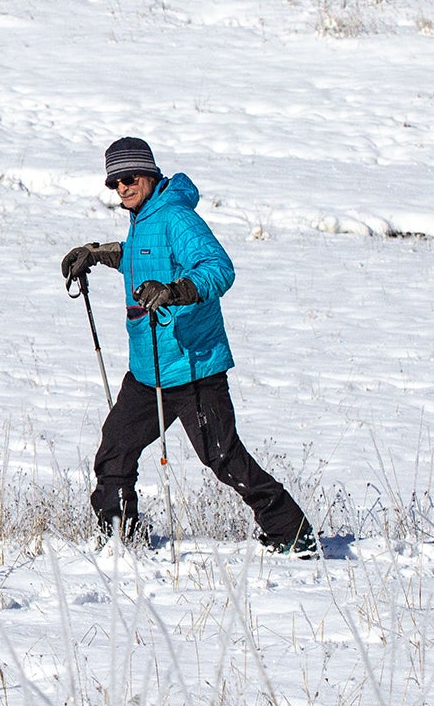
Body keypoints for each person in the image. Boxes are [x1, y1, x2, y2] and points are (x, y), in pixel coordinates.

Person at [61, 136, 317, 556]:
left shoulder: (177, 217)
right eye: (114, 182)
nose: (122, 187)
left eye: (129, 177)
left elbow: (219, 268)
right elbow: (144, 258)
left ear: (150, 173)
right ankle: (120, 539)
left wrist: (177, 290)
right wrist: (99, 254)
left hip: (193, 368)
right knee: (114, 452)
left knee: (223, 458)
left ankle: (293, 533)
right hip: (149, 371)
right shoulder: (144, 217)